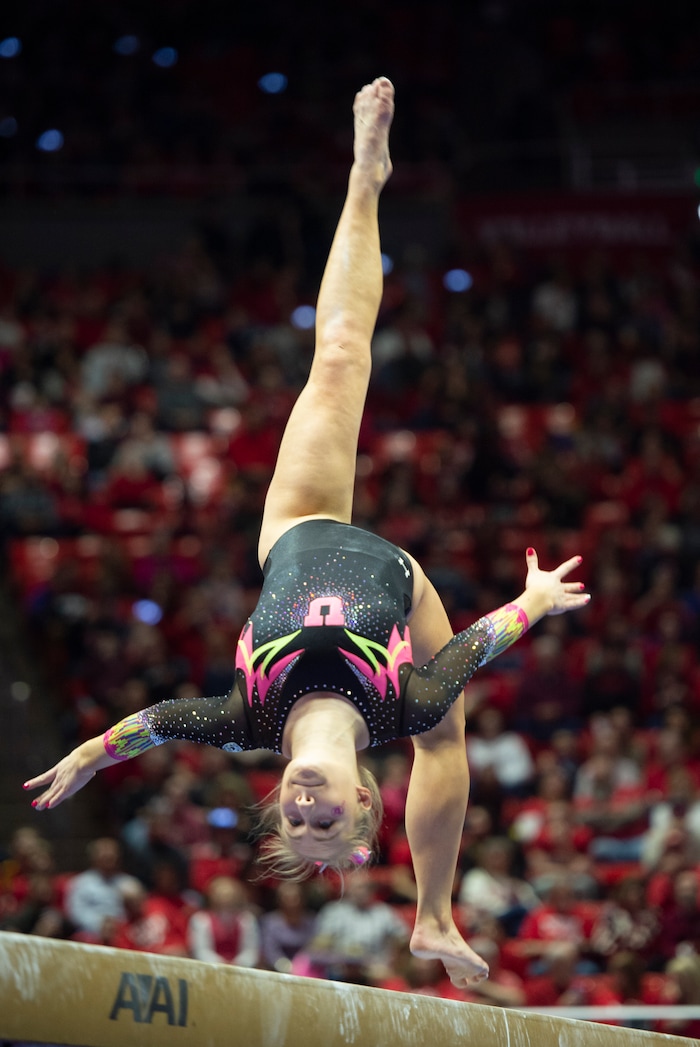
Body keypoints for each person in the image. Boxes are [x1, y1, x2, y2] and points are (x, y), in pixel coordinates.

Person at [24, 78, 589, 986]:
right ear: (366, 800)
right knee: (449, 734)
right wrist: (534, 600)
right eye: (332, 822)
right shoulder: (400, 707)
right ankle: (433, 910)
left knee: (335, 355)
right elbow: (478, 644)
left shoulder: (247, 718)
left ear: (280, 808)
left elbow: (154, 722)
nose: (310, 812)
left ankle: (364, 178)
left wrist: (89, 755)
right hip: (404, 585)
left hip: (300, 523)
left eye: (297, 824)